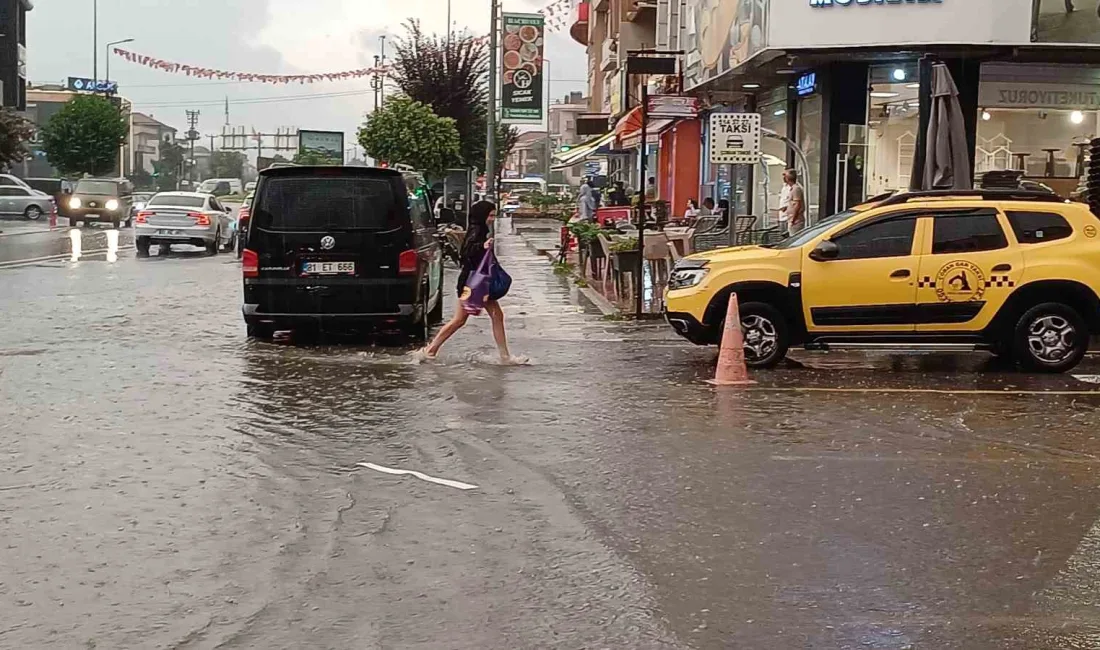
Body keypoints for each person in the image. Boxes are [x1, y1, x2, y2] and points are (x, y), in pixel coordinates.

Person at [421, 201, 524, 364]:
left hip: (478, 282)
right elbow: (467, 252)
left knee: (495, 316)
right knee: (460, 320)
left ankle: (505, 356)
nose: (492, 219)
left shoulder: (479, 229)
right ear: (482, 215)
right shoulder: (477, 230)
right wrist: (483, 246)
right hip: (473, 283)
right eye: (490, 215)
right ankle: (430, 350)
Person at [784, 169, 806, 236]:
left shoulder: (796, 189)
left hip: (796, 221)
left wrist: (793, 220)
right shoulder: (792, 189)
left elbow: (797, 205)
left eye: (785, 175)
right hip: (792, 219)